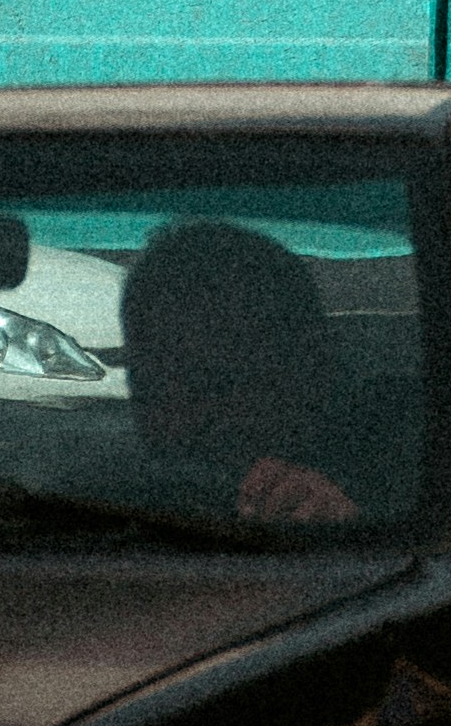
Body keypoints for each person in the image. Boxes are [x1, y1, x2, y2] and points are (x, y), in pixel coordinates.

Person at [120, 222, 358, 528]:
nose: (172, 421)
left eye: (212, 385)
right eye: (148, 388)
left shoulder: (405, 480)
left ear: (308, 371)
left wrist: (337, 523)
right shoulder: (93, 507)